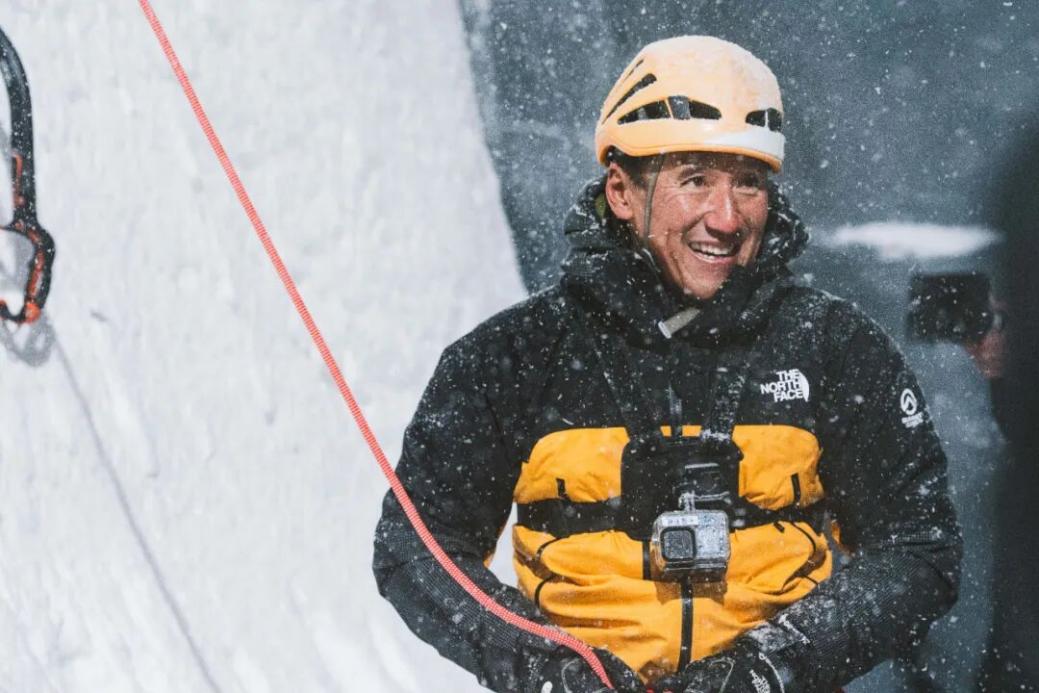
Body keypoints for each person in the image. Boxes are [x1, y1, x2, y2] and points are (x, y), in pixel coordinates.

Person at [373, 36, 961, 693]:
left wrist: (770, 666)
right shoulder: (514, 356)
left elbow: (918, 547)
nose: (726, 217)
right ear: (622, 192)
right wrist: (550, 666)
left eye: (747, 182)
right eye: (696, 179)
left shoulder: (833, 348)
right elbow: (415, 548)